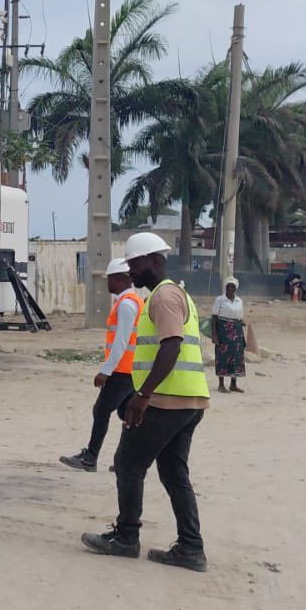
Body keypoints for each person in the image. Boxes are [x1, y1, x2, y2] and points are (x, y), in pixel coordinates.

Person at [82, 232, 210, 572]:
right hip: (188, 399)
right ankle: (190, 548)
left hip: (166, 401)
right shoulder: (174, 293)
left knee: (127, 463)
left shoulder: (163, 297)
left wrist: (142, 395)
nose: (130, 271)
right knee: (173, 472)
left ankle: (126, 537)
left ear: (153, 261)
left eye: (134, 264)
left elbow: (172, 345)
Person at [59, 258, 142, 472]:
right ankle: (127, 460)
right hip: (130, 369)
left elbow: (121, 342)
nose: (107, 284)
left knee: (102, 410)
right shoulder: (132, 301)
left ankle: (91, 457)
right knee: (126, 414)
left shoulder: (126, 305)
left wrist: (105, 371)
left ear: (120, 279)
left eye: (110, 279)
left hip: (122, 370)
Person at [211, 278, 249, 393]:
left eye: (233, 286)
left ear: (236, 288)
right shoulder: (220, 300)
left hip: (237, 331)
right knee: (222, 356)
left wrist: (241, 322)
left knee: (236, 357)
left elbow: (239, 316)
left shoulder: (239, 301)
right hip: (223, 331)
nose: (230, 289)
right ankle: (221, 384)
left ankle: (233, 384)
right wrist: (214, 335)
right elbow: (214, 318)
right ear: (225, 287)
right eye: (228, 286)